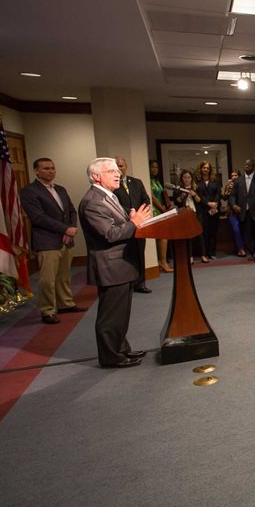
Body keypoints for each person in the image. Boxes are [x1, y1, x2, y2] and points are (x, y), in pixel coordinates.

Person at [78, 157, 151, 368]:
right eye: (111, 170)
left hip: (120, 264)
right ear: (96, 177)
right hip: (110, 266)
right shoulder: (93, 200)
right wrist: (134, 222)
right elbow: (109, 234)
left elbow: (118, 224)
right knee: (111, 316)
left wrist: (131, 219)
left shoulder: (108, 196)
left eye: (117, 169)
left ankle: (121, 349)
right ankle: (111, 356)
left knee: (121, 313)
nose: (117, 173)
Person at [20, 157, 83, 324]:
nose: (51, 171)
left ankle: (65, 304)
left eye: (53, 168)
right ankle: (47, 310)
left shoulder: (60, 189)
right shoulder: (29, 191)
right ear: (37, 171)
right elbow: (38, 217)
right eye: (46, 168)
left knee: (64, 276)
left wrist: (71, 229)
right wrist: (64, 229)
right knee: (47, 279)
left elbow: (71, 211)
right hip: (47, 241)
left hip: (66, 239)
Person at [114, 156, 152, 293]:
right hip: (124, 225)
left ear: (126, 166)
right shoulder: (112, 185)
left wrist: (142, 215)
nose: (119, 169)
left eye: (121, 166)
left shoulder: (136, 182)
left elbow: (146, 199)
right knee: (126, 255)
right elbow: (114, 206)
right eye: (116, 166)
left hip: (140, 225)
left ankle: (140, 283)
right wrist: (131, 214)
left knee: (139, 254)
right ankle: (127, 284)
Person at [229, 159, 255, 258]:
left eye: (249, 165)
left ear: (253, 167)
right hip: (244, 213)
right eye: (245, 165)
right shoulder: (238, 180)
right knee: (248, 237)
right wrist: (234, 205)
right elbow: (232, 195)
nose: (246, 166)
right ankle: (254, 254)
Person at [170, 169, 203, 262]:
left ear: (191, 179)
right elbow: (176, 202)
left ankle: (203, 255)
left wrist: (194, 194)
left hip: (196, 213)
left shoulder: (197, 187)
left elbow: (200, 201)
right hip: (184, 214)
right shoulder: (178, 189)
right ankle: (190, 256)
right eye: (185, 177)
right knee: (188, 236)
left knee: (199, 234)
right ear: (182, 178)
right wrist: (183, 195)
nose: (187, 179)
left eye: (189, 177)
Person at [148, 159, 173, 272]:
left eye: (156, 167)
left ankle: (161, 261)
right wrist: (162, 209)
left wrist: (167, 206)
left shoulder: (157, 181)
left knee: (162, 237)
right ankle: (162, 262)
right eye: (153, 167)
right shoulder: (148, 180)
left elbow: (162, 195)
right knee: (162, 237)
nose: (155, 169)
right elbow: (152, 197)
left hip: (160, 210)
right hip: (154, 211)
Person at [195, 160, 221, 262]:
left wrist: (214, 204)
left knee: (213, 232)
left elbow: (218, 193)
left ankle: (212, 252)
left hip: (214, 210)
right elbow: (198, 196)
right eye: (204, 168)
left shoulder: (215, 180)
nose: (206, 169)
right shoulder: (197, 181)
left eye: (207, 168)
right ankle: (204, 253)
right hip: (202, 210)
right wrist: (208, 204)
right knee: (204, 232)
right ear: (200, 169)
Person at [222, 170, 246, 257]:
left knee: (242, 230)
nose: (233, 177)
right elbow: (224, 198)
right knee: (236, 230)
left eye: (235, 175)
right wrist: (228, 189)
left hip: (242, 210)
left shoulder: (243, 185)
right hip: (232, 212)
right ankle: (241, 249)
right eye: (232, 175)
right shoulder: (228, 185)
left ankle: (241, 248)